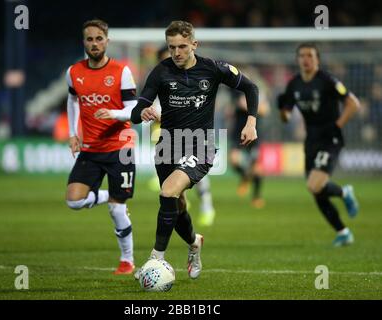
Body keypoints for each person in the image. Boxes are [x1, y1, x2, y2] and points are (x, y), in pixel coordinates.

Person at [130, 21, 259, 279]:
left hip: (200, 146)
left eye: (182, 47)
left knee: (167, 192)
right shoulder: (160, 72)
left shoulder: (212, 69)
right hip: (167, 147)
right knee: (176, 206)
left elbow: (251, 87)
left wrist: (251, 121)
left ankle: (155, 260)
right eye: (171, 47)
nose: (176, 52)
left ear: (194, 45)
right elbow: (136, 111)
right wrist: (142, 111)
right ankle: (194, 243)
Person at [65, 19, 138, 274]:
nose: (94, 43)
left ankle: (127, 260)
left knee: (117, 211)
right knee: (74, 201)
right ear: (83, 42)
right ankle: (113, 194)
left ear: (107, 41)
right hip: (91, 147)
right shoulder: (74, 72)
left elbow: (133, 108)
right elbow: (73, 100)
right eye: (89, 39)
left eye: (99, 38)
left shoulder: (121, 71)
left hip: (121, 146)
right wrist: (73, 133)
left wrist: (115, 114)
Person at [278, 43, 360, 247]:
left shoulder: (327, 80)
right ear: (297, 59)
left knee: (314, 184)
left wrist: (337, 125)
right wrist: (282, 109)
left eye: (310, 56)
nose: (306, 59)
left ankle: (345, 193)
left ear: (317, 59)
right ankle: (343, 232)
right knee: (316, 190)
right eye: (302, 56)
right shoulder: (294, 84)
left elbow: (353, 103)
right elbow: (286, 116)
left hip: (330, 139)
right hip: (311, 140)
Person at [148, 46, 217, 227]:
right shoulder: (159, 82)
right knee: (174, 194)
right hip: (169, 140)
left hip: (192, 138)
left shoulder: (191, 80)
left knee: (196, 176)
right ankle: (190, 233)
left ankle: (207, 206)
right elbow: (151, 112)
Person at [229, 68, 270, 208]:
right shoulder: (234, 92)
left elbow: (266, 110)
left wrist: (251, 106)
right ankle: (245, 176)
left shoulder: (256, 91)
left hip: (254, 133)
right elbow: (235, 107)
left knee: (257, 168)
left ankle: (256, 197)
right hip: (237, 132)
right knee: (234, 161)